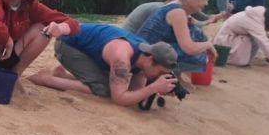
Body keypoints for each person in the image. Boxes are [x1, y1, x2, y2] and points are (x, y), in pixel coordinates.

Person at [28, 23, 179, 107]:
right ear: (151, 59)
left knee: (112, 85)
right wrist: (153, 87)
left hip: (87, 48)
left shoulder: (145, 56)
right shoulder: (122, 57)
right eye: (160, 72)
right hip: (68, 45)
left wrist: (160, 89)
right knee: (102, 89)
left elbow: (134, 93)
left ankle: (62, 75)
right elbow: (119, 98)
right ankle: (45, 79)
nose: (160, 76)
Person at [135, 0, 217, 74]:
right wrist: (208, 45)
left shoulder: (176, 8)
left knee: (196, 33)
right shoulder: (177, 12)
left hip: (143, 49)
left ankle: (174, 76)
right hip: (146, 55)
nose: (206, 3)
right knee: (200, 53)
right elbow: (189, 48)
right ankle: (163, 74)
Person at [213, 6, 269, 78]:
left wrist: (267, 33)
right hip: (224, 41)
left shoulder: (260, 15)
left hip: (230, 37)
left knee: (256, 38)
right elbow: (264, 44)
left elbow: (258, 32)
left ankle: (243, 59)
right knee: (250, 39)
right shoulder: (255, 21)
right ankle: (234, 60)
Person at [120, 0, 225, 34]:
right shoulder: (159, 9)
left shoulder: (180, 9)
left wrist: (226, 13)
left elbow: (207, 18)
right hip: (130, 40)